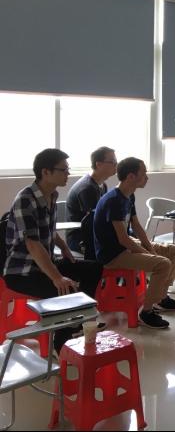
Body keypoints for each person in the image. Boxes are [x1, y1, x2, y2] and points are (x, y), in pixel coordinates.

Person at [3, 149, 104, 353]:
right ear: (46, 172)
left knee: (93, 269)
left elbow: (49, 229)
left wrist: (64, 247)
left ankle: (76, 322)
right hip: (22, 271)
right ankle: (61, 344)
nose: (68, 173)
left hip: (44, 263)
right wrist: (57, 277)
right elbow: (32, 244)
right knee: (67, 291)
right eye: (63, 170)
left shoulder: (52, 195)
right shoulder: (26, 199)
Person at [93, 157, 175, 329]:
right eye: (143, 173)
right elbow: (123, 239)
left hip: (125, 246)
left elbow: (136, 226)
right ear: (131, 176)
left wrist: (150, 248)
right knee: (162, 264)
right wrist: (149, 254)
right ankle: (146, 312)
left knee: (172, 251)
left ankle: (161, 298)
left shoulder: (129, 196)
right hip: (113, 254)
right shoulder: (114, 200)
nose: (147, 177)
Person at [65, 146, 117, 253]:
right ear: (98, 164)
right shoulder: (87, 188)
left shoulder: (102, 185)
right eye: (112, 162)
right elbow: (96, 221)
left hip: (93, 233)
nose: (116, 165)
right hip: (79, 238)